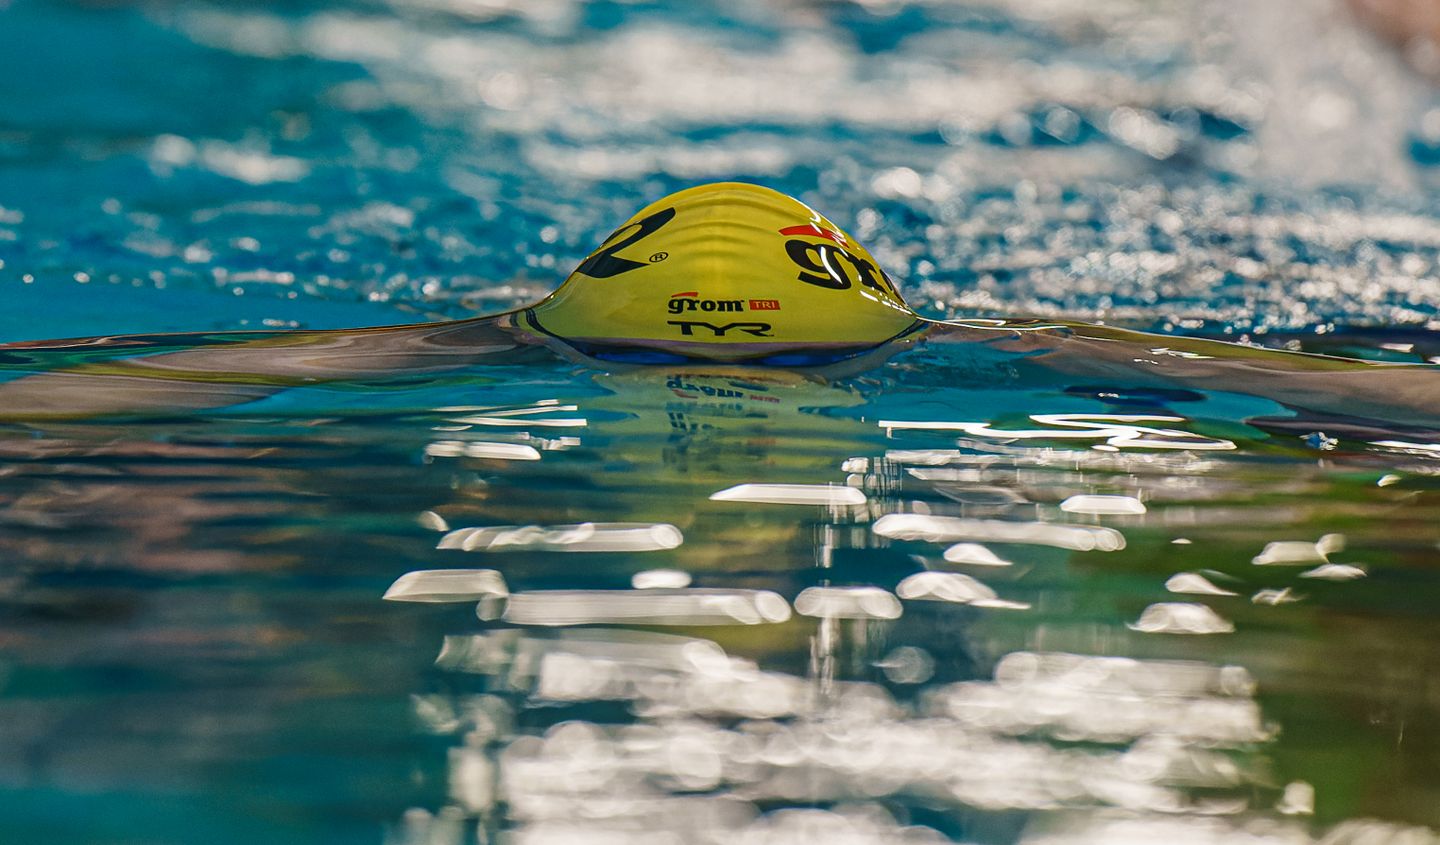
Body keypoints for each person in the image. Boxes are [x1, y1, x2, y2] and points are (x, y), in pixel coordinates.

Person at [1, 182, 1439, 429]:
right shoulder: (983, 348)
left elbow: (206, 374)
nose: (727, 400)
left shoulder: (487, 343)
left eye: (788, 376)